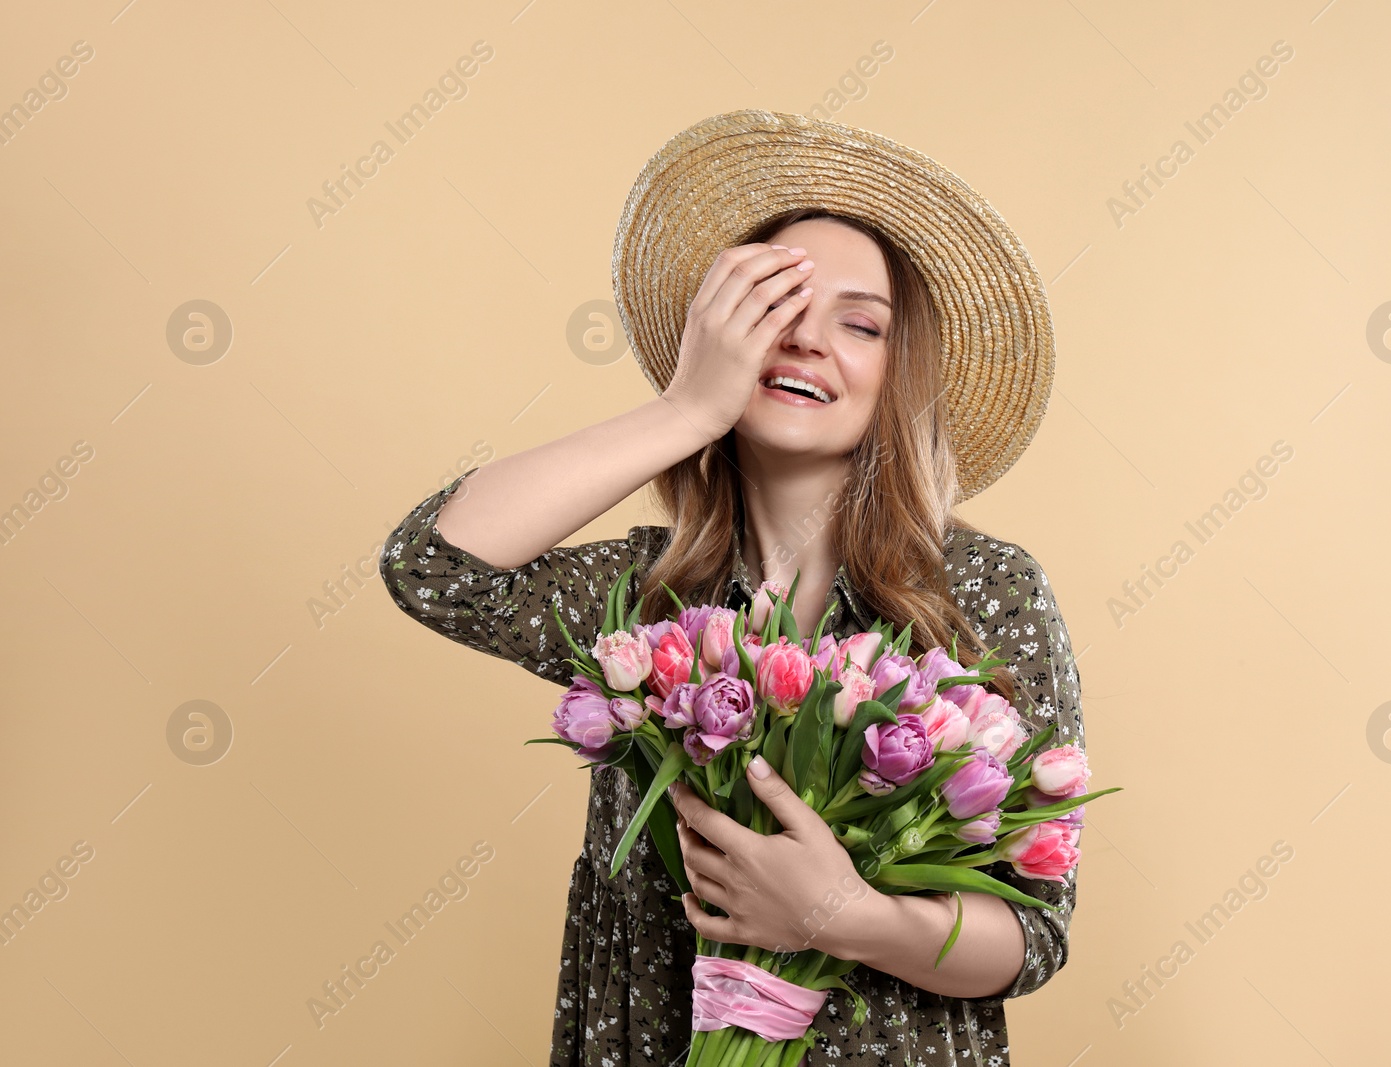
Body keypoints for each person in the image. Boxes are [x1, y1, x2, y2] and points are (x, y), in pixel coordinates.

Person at [380, 110, 1085, 1066]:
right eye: (771, 306)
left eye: (861, 323)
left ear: (900, 372)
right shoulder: (646, 598)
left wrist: (841, 913)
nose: (804, 340)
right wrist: (687, 407)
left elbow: (1030, 935)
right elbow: (433, 567)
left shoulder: (980, 590)